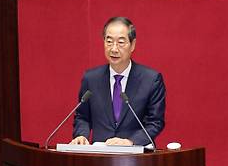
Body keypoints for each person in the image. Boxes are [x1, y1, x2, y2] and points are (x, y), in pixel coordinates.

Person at [70, 17, 166, 146]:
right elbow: (82, 116)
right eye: (109, 41)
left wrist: (131, 141)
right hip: (99, 158)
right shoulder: (91, 79)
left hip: (137, 158)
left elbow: (155, 122)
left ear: (132, 45)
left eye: (121, 42)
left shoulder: (151, 80)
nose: (114, 49)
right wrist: (81, 135)